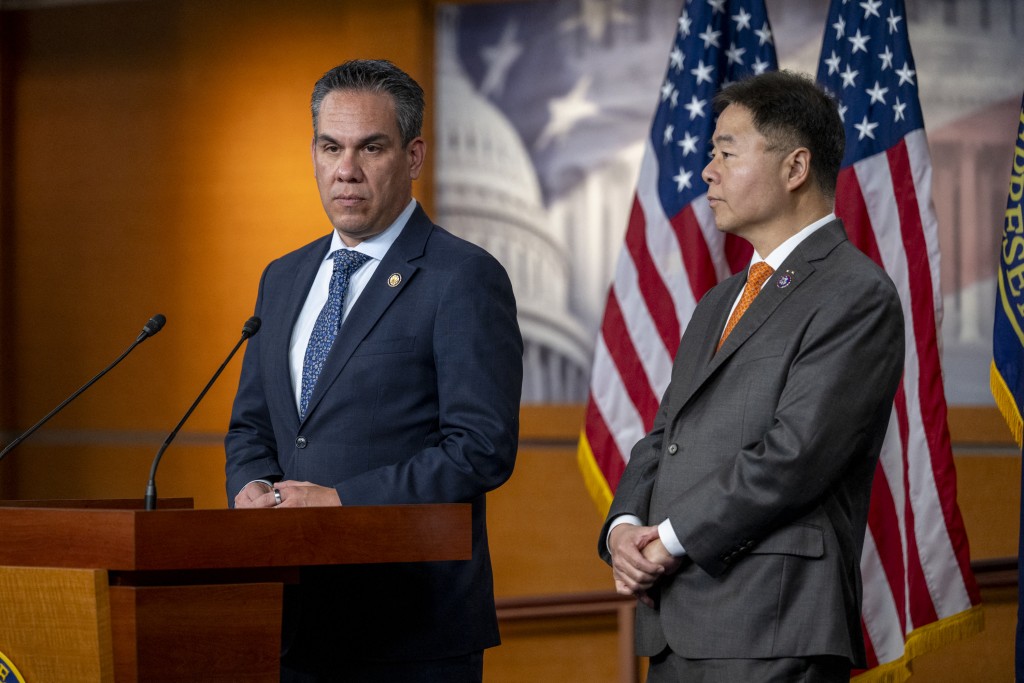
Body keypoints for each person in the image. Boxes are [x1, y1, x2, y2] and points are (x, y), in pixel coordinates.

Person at [599, 70, 905, 682]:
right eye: (711, 154)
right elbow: (667, 434)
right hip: (678, 624)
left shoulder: (855, 293)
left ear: (795, 168)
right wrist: (625, 526)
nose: (707, 171)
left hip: (774, 625)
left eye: (726, 152)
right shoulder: (721, 300)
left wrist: (670, 540)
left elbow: (795, 455)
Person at [225, 59, 523, 683]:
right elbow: (253, 426)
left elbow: (481, 450)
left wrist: (341, 501)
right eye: (330, 146)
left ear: (413, 156)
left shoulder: (462, 277)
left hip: (410, 629)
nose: (346, 170)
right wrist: (251, 488)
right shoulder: (282, 278)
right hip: (291, 619)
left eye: (371, 148)